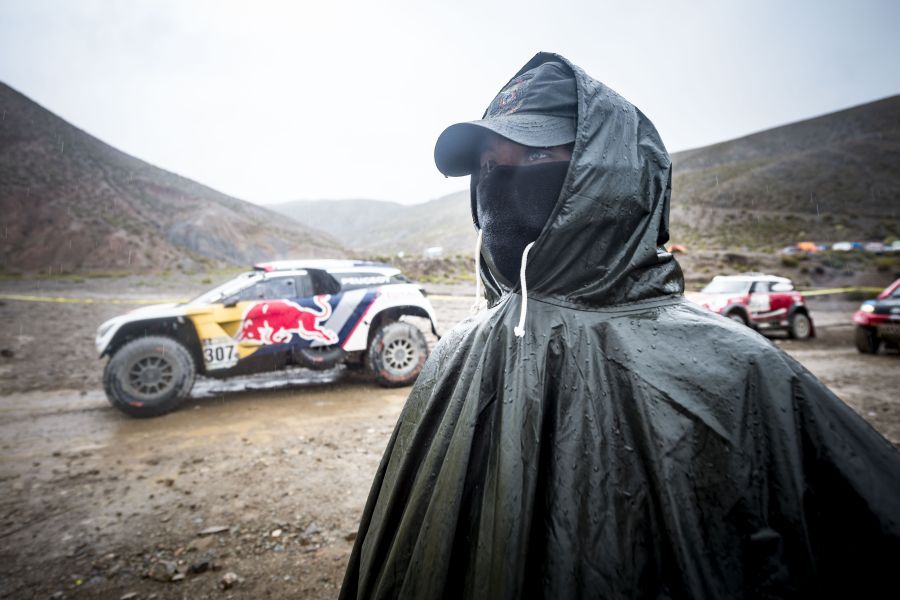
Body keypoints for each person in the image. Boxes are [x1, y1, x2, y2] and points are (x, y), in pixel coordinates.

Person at [341, 52, 900, 599]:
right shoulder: (454, 356)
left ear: (608, 178)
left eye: (534, 157)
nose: (499, 179)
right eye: (489, 163)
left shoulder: (741, 373)